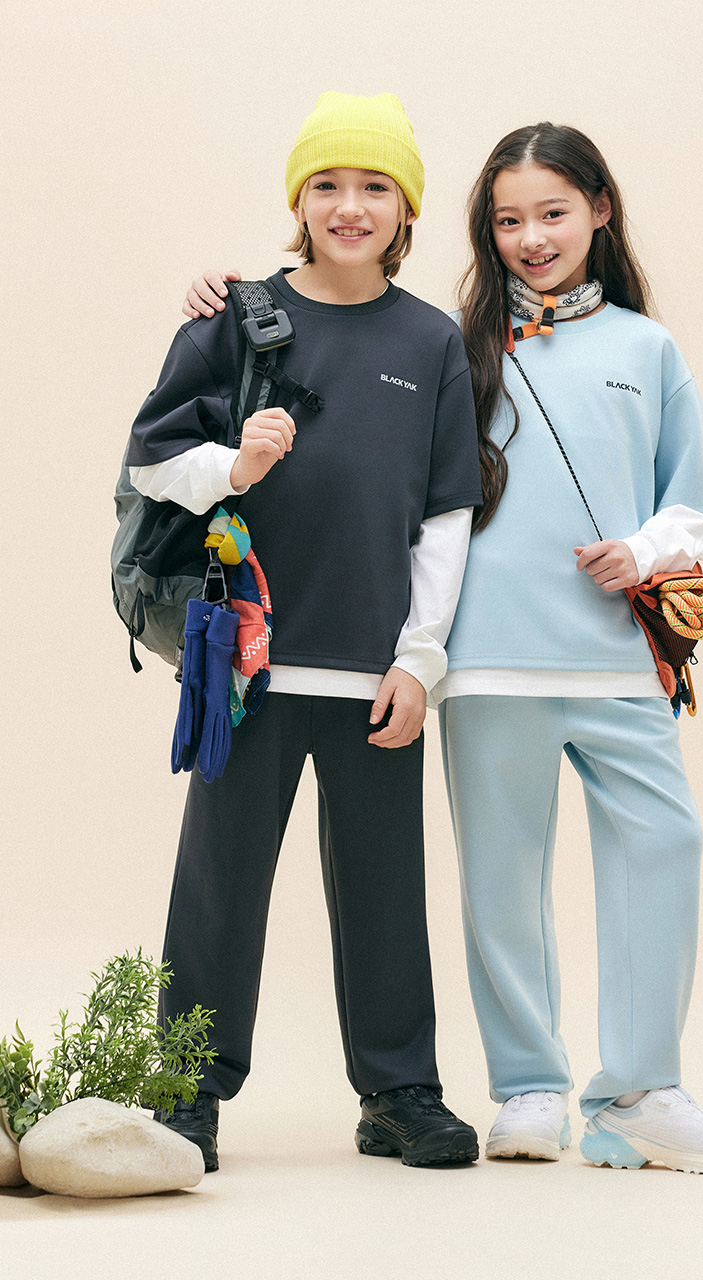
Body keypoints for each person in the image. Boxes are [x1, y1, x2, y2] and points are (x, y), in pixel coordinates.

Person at [182, 121, 703, 1176]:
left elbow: (698, 500)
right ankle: (529, 1086)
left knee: (664, 844)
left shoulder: (647, 348)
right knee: (502, 881)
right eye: (507, 220)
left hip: (618, 659)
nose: (531, 237)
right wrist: (225, 295)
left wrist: (643, 550)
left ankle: (642, 1091)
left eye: (553, 212)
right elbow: (340, 331)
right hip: (486, 659)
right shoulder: (451, 344)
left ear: (600, 210)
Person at [126, 92, 484, 1171]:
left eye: (375, 186)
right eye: (327, 184)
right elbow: (151, 460)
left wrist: (419, 659)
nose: (349, 206)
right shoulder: (232, 316)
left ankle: (400, 1092)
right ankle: (184, 1090)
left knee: (386, 889)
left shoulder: (430, 341)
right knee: (219, 886)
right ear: (298, 199)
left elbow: (446, 516)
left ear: (406, 207)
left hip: (375, 671)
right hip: (244, 666)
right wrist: (233, 465)